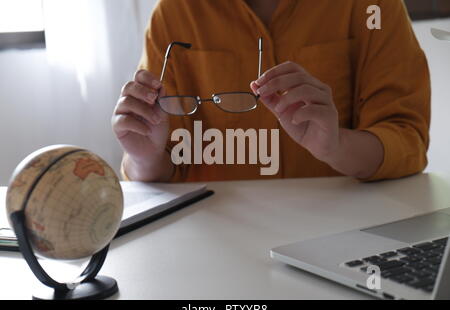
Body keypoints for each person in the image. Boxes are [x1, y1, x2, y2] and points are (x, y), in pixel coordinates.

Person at [112, 0, 430, 183]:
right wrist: (144, 158)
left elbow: (407, 141)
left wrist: (335, 146)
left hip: (342, 235)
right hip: (213, 241)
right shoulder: (174, 14)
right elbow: (165, 164)